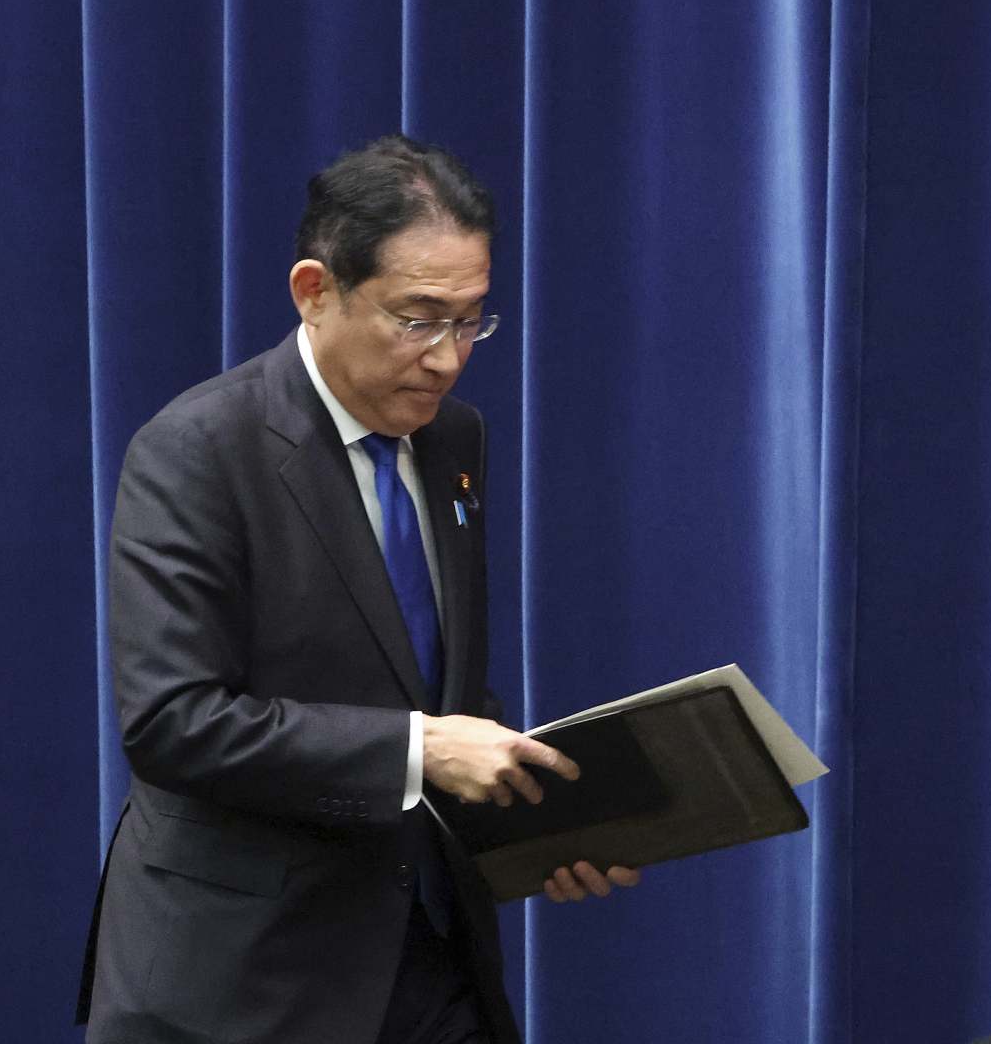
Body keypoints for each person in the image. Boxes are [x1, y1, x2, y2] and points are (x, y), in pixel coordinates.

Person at [76, 135, 634, 1044]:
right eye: (419, 319)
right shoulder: (198, 452)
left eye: (472, 320)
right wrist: (421, 750)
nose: (449, 357)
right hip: (245, 980)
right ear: (315, 291)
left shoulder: (455, 440)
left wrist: (545, 824)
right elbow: (173, 722)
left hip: (427, 959)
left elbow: (432, 687)